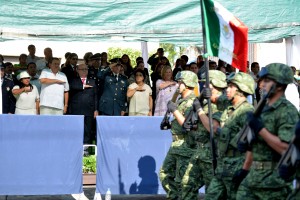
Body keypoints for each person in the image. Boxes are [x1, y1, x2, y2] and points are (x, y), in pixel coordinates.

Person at [236, 63, 299, 200]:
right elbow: (255, 146)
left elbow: (286, 148)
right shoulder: (262, 109)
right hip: (253, 178)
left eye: (267, 81)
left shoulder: (287, 111)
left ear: (280, 85)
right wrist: (245, 169)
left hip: (274, 182)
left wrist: (260, 130)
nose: (261, 85)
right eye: (261, 81)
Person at [195, 72, 255, 200]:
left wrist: (245, 169)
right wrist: (207, 94)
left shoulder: (246, 112)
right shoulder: (229, 105)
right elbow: (216, 99)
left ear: (241, 90)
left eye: (231, 87)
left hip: (237, 164)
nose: (227, 89)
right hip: (223, 166)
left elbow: (252, 144)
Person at [181, 70, 228, 200]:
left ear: (213, 84)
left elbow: (212, 128)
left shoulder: (221, 103)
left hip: (212, 152)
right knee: (186, 185)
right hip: (199, 151)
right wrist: (200, 100)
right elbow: (187, 124)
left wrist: (200, 110)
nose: (203, 86)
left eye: (206, 84)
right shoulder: (205, 102)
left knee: (211, 191)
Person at [159, 70, 198, 200]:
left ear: (186, 84)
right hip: (176, 144)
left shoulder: (192, 102)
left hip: (185, 146)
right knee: (165, 173)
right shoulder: (182, 100)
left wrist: (174, 110)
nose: (177, 85)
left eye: (180, 82)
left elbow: (187, 125)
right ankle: (174, 196)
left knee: (183, 182)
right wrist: (169, 124)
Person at [69, 64, 98, 144]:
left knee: (88, 131)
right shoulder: (73, 80)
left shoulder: (92, 81)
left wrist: (96, 109)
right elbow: (72, 87)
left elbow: (95, 96)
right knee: (76, 130)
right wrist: (83, 86)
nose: (85, 71)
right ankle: (76, 148)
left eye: (86, 69)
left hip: (89, 109)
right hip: (76, 110)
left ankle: (86, 150)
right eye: (82, 69)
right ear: (77, 70)